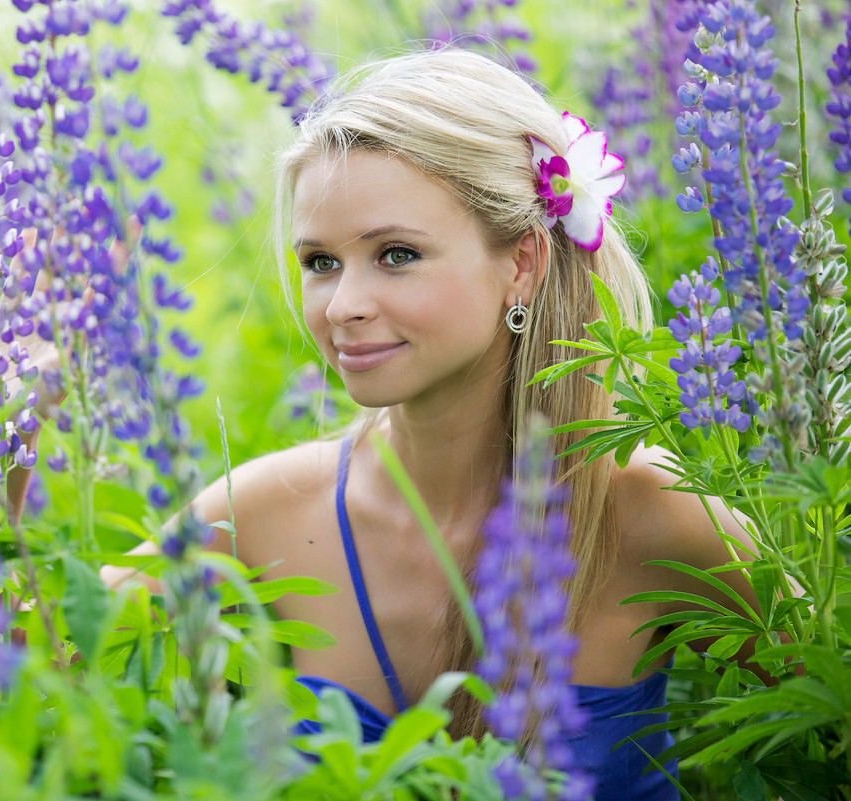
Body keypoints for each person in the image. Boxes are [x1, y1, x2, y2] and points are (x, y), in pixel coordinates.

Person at [85, 49, 760, 801]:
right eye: (320, 262)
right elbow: (40, 652)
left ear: (523, 263)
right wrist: (8, 451)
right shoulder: (267, 511)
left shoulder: (647, 512)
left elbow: (826, 722)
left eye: (396, 254)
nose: (343, 306)